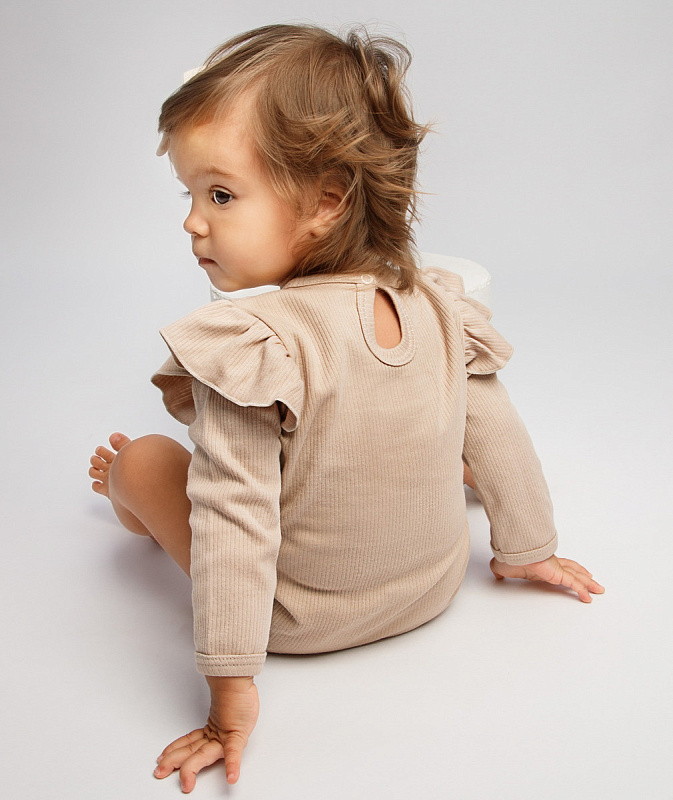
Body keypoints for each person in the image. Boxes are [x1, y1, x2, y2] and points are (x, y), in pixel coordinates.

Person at [88, 23, 604, 793]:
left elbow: (234, 518)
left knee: (145, 458)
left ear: (326, 201)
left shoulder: (255, 346)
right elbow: (497, 429)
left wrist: (230, 691)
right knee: (426, 422)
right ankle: (430, 478)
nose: (192, 221)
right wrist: (527, 547)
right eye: (190, 194)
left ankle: (125, 498)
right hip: (431, 585)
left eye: (220, 195)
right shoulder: (435, 305)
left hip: (295, 619)